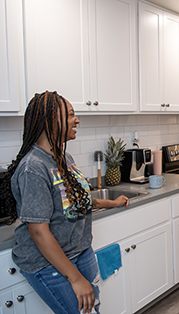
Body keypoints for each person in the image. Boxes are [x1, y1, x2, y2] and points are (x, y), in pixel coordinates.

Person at [0, 91, 129, 314]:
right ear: (50, 119)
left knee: (93, 310)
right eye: (70, 115)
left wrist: (113, 203)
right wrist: (76, 279)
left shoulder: (64, 158)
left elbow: (79, 201)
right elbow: (38, 232)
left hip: (80, 251)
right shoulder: (34, 167)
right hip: (48, 262)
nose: (76, 120)